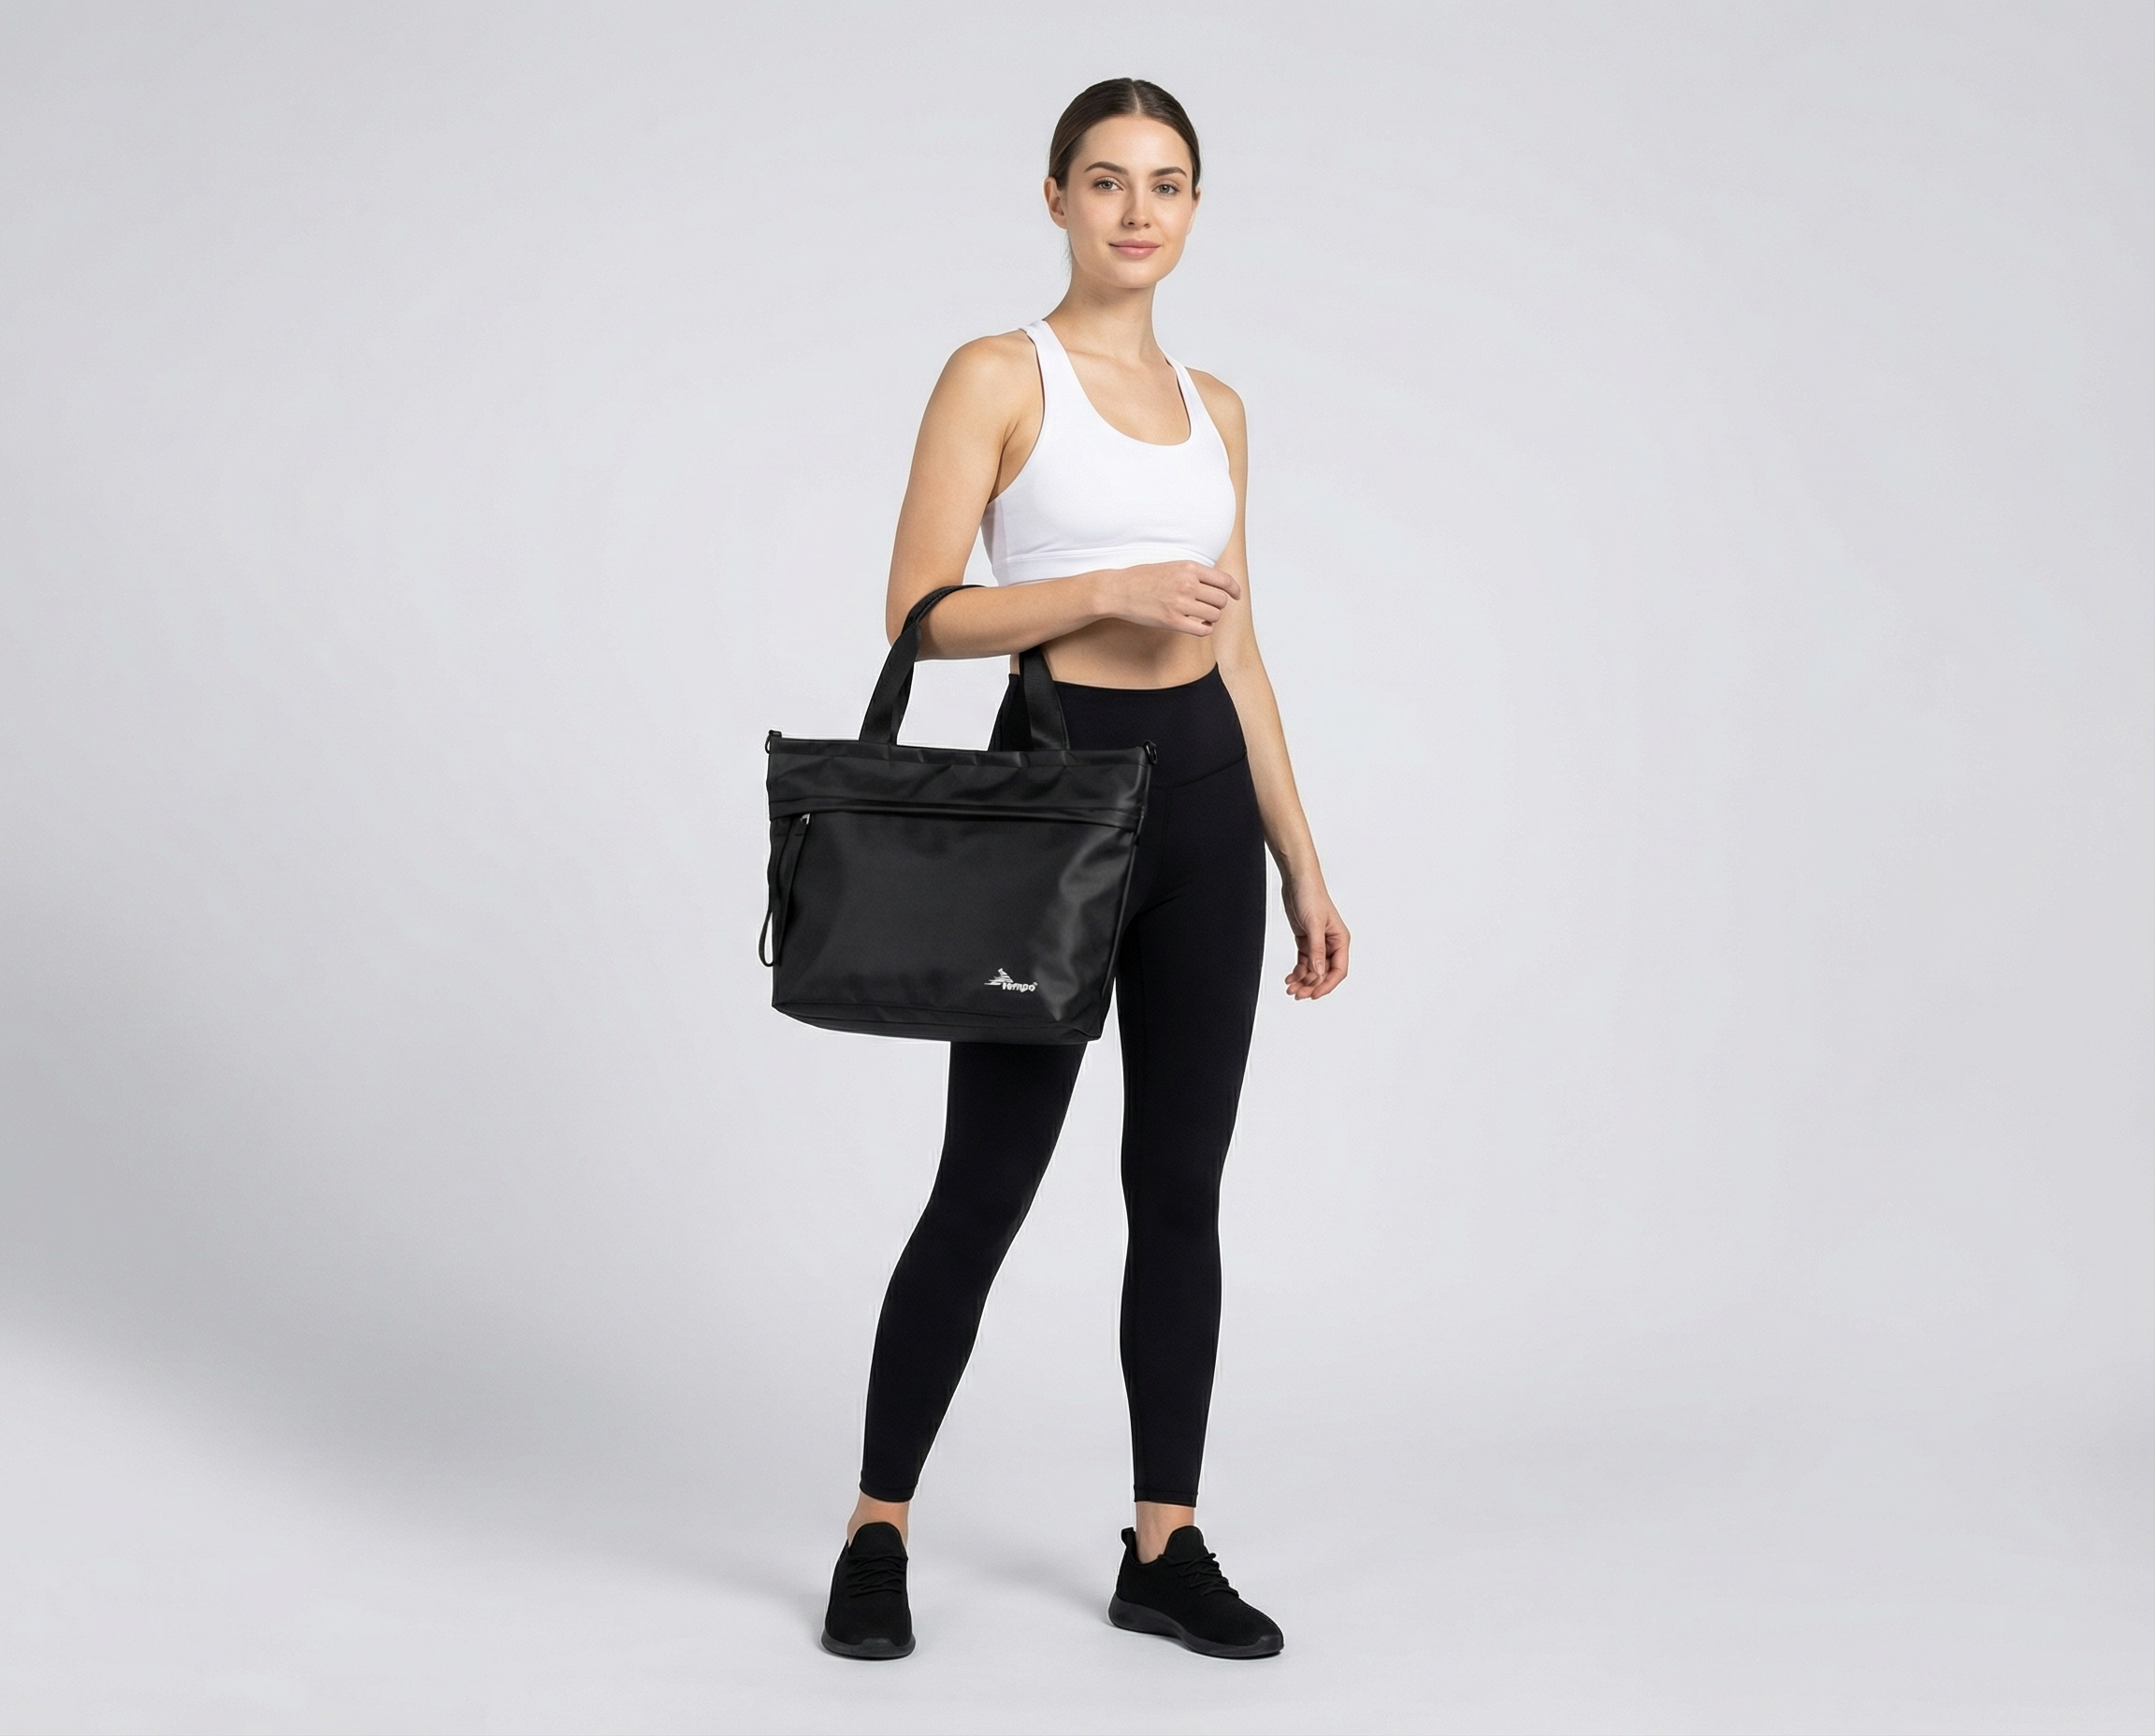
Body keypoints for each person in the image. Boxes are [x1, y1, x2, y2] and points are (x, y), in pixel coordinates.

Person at [820, 77, 1350, 1663]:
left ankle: (1163, 1543)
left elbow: (1242, 658)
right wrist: (1103, 583)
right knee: (986, 1183)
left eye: (1168, 184)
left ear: (1195, 210)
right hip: (1054, 801)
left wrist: (1304, 868)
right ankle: (875, 1527)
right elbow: (919, 611)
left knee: (1177, 1190)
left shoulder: (1222, 409)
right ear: (1054, 196)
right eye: (1108, 180)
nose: (1137, 210)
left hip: (1198, 807)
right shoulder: (999, 372)